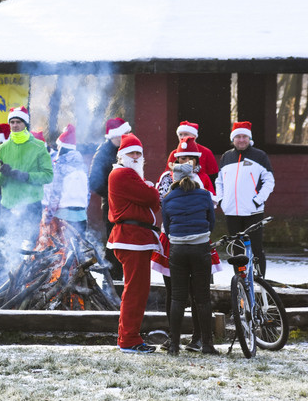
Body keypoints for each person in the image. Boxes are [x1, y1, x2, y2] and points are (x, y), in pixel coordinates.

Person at [107, 133, 160, 354]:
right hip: (132, 238)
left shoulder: (129, 174)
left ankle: (128, 337)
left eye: (139, 153)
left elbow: (150, 198)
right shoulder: (123, 174)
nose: (136, 156)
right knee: (135, 291)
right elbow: (152, 199)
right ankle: (129, 339)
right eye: (131, 153)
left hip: (135, 237)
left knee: (136, 290)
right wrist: (151, 189)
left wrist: (149, 189)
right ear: (122, 156)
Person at [0, 107, 54, 281]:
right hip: (8, 207)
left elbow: (48, 176)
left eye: (18, 122)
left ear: (25, 123)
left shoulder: (39, 146)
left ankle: (29, 283)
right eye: (12, 122)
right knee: (8, 250)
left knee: (29, 250)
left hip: (31, 206)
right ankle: (6, 286)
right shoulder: (3, 148)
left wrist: (25, 176)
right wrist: (4, 173)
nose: (15, 125)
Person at [162, 163, 218, 356]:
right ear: (193, 176)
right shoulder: (204, 195)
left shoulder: (168, 198)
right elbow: (212, 221)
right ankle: (208, 345)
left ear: (174, 178)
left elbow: (167, 227)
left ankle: (174, 346)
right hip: (200, 248)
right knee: (202, 298)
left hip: (177, 249)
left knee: (177, 297)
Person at [215, 121, 275, 277]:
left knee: (255, 247)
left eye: (244, 136)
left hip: (252, 211)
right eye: (238, 137)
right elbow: (219, 181)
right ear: (233, 139)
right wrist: (222, 200)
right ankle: (241, 281)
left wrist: (258, 200)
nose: (241, 140)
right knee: (237, 249)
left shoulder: (259, 155)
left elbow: (269, 181)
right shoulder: (226, 157)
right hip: (232, 212)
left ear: (249, 138)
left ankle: (260, 281)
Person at [88, 117, 131, 280]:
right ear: (115, 135)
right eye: (125, 133)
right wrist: (115, 193)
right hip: (112, 206)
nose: (128, 136)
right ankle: (113, 276)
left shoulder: (125, 151)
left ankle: (121, 274)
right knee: (114, 242)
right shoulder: (103, 153)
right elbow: (94, 182)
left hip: (127, 205)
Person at [45, 124, 89, 234]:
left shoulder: (60, 167)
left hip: (63, 217)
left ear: (62, 147)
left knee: (62, 249)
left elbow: (55, 194)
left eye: (58, 147)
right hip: (82, 216)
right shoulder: (83, 167)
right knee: (78, 248)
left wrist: (48, 217)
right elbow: (88, 194)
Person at [165, 121, 219, 186]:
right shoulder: (174, 153)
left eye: (186, 134)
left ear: (194, 136)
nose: (182, 137)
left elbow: (213, 176)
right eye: (180, 134)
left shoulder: (206, 152)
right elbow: (168, 175)